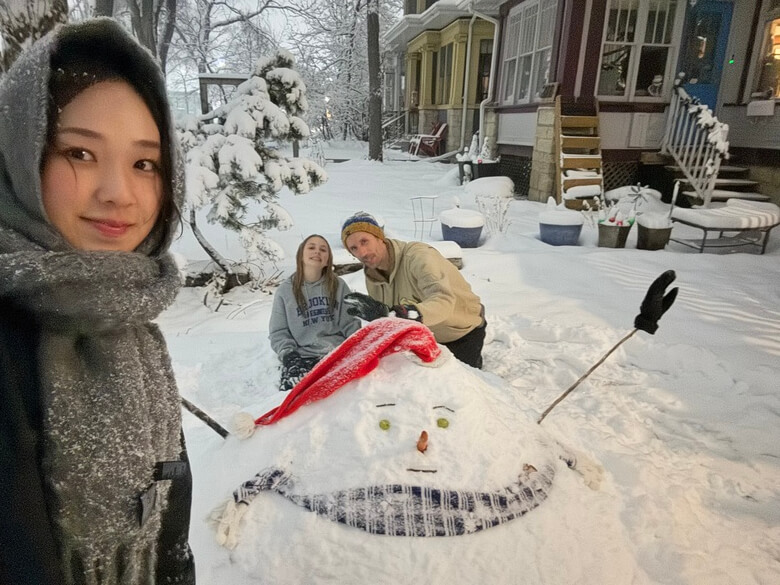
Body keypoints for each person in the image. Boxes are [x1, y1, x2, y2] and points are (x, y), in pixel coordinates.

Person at [0, 19, 195, 584]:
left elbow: (169, 533)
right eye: (80, 153)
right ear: (21, 158)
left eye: (144, 163)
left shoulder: (130, 326)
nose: (118, 192)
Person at [341, 212, 486, 369]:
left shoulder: (419, 257)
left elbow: (443, 301)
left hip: (460, 332)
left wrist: (400, 314)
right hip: (423, 337)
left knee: (457, 388)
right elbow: (389, 315)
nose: (362, 253)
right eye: (354, 248)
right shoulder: (373, 276)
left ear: (379, 238)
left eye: (365, 241)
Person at [269, 234, 361, 391]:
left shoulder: (338, 285)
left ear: (327, 260)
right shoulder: (285, 290)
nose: (317, 252)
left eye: (323, 249)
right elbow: (278, 332)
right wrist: (289, 357)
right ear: (300, 255)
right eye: (311, 247)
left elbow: (350, 323)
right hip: (303, 358)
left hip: (337, 354)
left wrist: (358, 349)